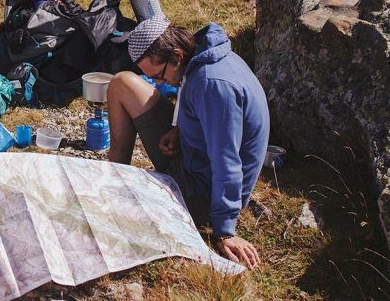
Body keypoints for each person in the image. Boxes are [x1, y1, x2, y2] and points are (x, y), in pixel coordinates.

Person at [105, 14, 269, 269]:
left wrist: (224, 230)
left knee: (125, 211)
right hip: (192, 156)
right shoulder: (203, 54)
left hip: (203, 191)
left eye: (158, 76)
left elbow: (227, 159)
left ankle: (116, 187)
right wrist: (179, 130)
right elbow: (198, 108)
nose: (158, 84)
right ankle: (113, 175)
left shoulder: (213, 85)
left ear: (177, 56)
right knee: (122, 83)